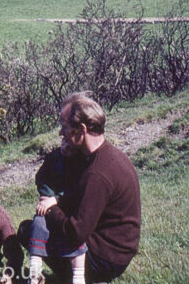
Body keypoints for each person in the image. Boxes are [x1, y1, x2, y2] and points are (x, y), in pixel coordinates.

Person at [36, 92, 141, 283]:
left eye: (65, 127)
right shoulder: (104, 156)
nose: (61, 133)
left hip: (106, 257)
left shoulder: (97, 174)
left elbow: (76, 232)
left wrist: (51, 209)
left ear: (81, 130)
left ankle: (84, 277)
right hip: (116, 248)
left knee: (31, 232)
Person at [25, 140, 90, 284]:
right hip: (47, 205)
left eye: (70, 147)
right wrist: (47, 196)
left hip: (69, 209)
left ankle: (78, 277)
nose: (65, 147)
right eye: (64, 142)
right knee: (38, 223)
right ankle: (35, 271)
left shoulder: (80, 163)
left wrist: (57, 200)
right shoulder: (53, 157)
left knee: (72, 234)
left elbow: (77, 190)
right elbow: (41, 178)